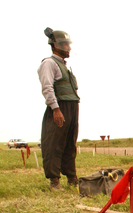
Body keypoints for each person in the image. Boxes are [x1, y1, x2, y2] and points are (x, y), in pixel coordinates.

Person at [38, 28, 80, 190]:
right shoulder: (49, 63)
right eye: (64, 44)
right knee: (53, 143)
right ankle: (54, 181)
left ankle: (71, 177)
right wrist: (55, 109)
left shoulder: (64, 66)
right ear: (55, 46)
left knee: (70, 143)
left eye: (68, 45)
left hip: (72, 106)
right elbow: (47, 88)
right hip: (59, 107)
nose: (68, 48)